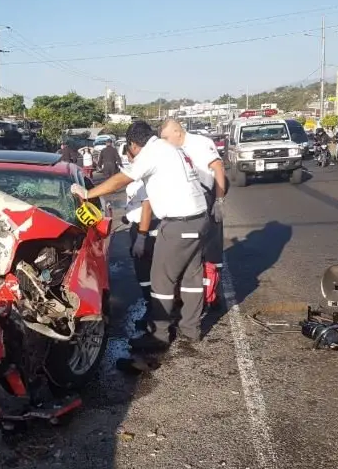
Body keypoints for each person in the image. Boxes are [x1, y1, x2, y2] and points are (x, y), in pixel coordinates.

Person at [70, 120, 208, 351]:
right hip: (199, 219)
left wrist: (87, 192)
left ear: (133, 144)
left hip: (178, 223)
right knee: (191, 278)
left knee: (161, 280)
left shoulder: (152, 152)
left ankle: (159, 336)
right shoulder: (171, 149)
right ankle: (191, 329)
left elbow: (121, 180)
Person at [160, 119, 227, 309]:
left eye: (165, 137)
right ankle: (191, 296)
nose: (164, 141)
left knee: (212, 249)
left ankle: (215, 292)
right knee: (192, 252)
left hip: (207, 199)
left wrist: (219, 201)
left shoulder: (200, 144)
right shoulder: (170, 151)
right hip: (187, 202)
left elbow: (218, 168)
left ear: (177, 132)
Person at [122, 151, 159, 332]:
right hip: (138, 225)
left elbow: (147, 206)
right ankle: (152, 307)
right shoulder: (136, 171)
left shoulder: (145, 172)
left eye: (129, 154)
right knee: (143, 272)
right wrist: (127, 215)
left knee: (148, 270)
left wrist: (142, 236)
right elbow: (133, 201)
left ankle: (156, 313)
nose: (128, 159)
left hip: (148, 227)